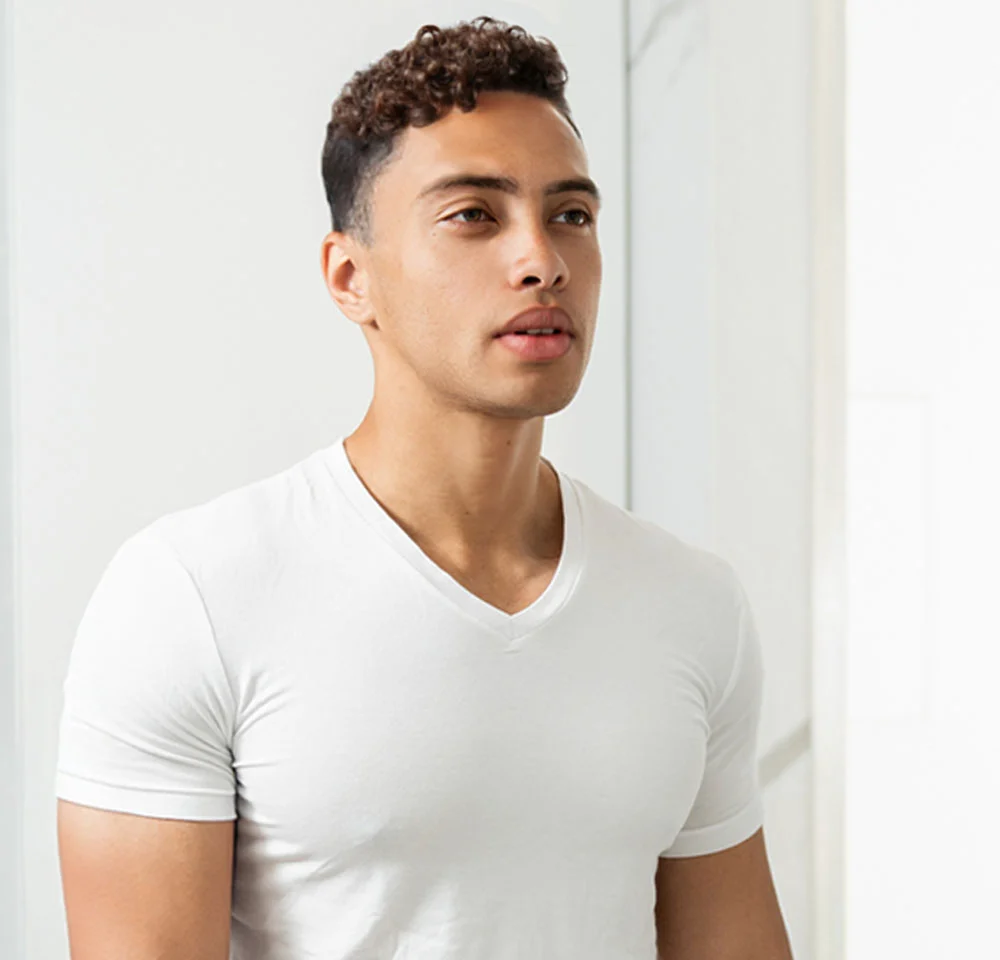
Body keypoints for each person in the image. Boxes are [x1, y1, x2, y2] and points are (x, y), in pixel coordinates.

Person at [55, 15, 794, 959]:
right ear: (350, 276)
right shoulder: (192, 593)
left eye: (571, 214)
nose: (543, 259)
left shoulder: (694, 605)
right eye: (473, 215)